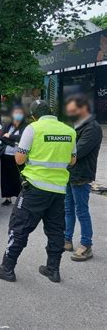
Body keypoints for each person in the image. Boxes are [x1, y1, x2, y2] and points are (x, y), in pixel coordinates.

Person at [0, 100, 76, 283]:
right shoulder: (69, 131)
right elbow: (72, 160)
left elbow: (19, 159)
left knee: (18, 228)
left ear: (34, 115)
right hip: (58, 190)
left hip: (35, 189)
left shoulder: (33, 128)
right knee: (56, 231)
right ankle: (53, 269)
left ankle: (7, 268)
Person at [63, 94, 103, 261]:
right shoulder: (77, 126)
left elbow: (77, 152)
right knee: (68, 209)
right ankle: (67, 240)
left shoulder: (92, 128)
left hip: (81, 176)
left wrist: (60, 152)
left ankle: (86, 245)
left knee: (81, 211)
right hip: (70, 174)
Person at [0, 106, 28, 206]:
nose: (18, 115)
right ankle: (8, 198)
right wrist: (13, 143)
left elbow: (23, 138)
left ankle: (20, 198)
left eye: (20, 113)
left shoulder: (25, 126)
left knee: (18, 177)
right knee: (6, 178)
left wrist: (10, 136)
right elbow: (1, 137)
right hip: (6, 155)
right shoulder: (7, 124)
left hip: (19, 156)